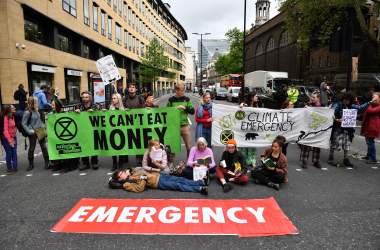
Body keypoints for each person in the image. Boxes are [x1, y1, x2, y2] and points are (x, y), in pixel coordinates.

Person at [328, 92, 370, 167]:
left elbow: (360, 108)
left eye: (348, 100)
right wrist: (337, 120)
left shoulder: (351, 106)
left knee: (347, 143)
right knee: (335, 142)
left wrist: (369, 102)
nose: (347, 101)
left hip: (348, 129)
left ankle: (346, 159)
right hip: (338, 127)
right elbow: (330, 113)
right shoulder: (338, 104)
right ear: (343, 99)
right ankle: (330, 158)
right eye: (345, 100)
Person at [109, 168, 208, 195]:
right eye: (121, 174)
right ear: (120, 179)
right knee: (178, 185)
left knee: (180, 179)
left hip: (159, 176)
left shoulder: (131, 173)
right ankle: (199, 189)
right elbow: (139, 188)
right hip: (157, 183)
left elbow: (140, 170)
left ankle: (200, 182)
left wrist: (131, 170)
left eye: (122, 171)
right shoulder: (126, 184)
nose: (123, 172)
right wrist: (143, 178)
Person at [167, 82, 195, 157]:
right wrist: (174, 109)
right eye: (181, 90)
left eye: (183, 90)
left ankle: (189, 163)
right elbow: (166, 112)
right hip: (174, 126)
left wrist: (185, 108)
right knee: (173, 147)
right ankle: (171, 164)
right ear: (176, 90)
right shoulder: (171, 100)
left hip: (185, 126)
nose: (183, 92)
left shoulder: (186, 99)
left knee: (189, 147)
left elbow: (192, 111)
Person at [22, 96, 49, 171]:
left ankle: (47, 162)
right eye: (36, 102)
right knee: (32, 148)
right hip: (33, 132)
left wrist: (44, 129)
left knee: (44, 147)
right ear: (32, 103)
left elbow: (39, 121)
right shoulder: (27, 112)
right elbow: (23, 124)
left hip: (40, 130)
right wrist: (29, 131)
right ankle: (31, 164)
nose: (37, 103)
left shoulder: (37, 110)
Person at [75, 91, 99, 170]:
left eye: (86, 97)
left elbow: (101, 114)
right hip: (82, 129)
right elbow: (73, 117)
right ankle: (85, 163)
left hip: (93, 129)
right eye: (83, 97)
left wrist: (94, 112)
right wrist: (76, 112)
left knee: (93, 145)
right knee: (84, 145)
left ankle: (94, 162)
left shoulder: (95, 106)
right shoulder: (78, 106)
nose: (85, 99)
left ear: (90, 98)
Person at [124, 83, 145, 166]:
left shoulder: (140, 98)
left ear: (136, 89)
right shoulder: (125, 99)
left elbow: (143, 109)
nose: (131, 88)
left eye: (133, 87)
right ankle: (125, 160)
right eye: (130, 87)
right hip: (127, 123)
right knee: (126, 141)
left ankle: (139, 160)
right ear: (128, 89)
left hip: (138, 124)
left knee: (138, 142)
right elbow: (121, 110)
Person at [299, 92, 322, 169]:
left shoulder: (321, 107)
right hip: (308, 128)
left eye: (314, 97)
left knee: (317, 145)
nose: (312, 98)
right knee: (306, 144)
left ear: (318, 98)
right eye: (311, 97)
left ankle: (316, 161)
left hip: (317, 128)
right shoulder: (307, 105)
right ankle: (304, 161)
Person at [239, 92, 260, 170]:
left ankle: (252, 160)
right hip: (245, 129)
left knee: (252, 145)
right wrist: (241, 106)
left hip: (253, 129)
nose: (257, 97)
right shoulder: (245, 105)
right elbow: (240, 108)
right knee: (244, 145)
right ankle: (244, 160)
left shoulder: (256, 105)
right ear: (251, 97)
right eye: (256, 96)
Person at [360, 92, 380, 164]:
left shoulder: (377, 106)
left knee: (370, 142)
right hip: (368, 125)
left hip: (373, 126)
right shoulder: (372, 105)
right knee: (368, 141)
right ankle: (368, 155)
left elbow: (370, 111)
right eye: (372, 97)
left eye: (375, 98)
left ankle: (373, 158)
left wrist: (370, 103)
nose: (373, 99)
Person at [109, 93, 128, 170]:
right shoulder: (110, 109)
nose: (113, 100)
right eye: (112, 98)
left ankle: (120, 163)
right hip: (112, 131)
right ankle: (114, 163)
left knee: (121, 147)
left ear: (119, 99)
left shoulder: (123, 109)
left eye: (115, 98)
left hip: (121, 131)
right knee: (113, 147)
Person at [2, 105, 18, 173]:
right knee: (9, 153)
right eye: (12, 108)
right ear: (9, 110)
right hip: (7, 139)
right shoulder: (6, 118)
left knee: (14, 152)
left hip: (13, 137)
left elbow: (14, 126)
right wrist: (10, 140)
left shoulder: (12, 116)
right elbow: (5, 131)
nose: (14, 108)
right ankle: (9, 168)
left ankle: (14, 167)